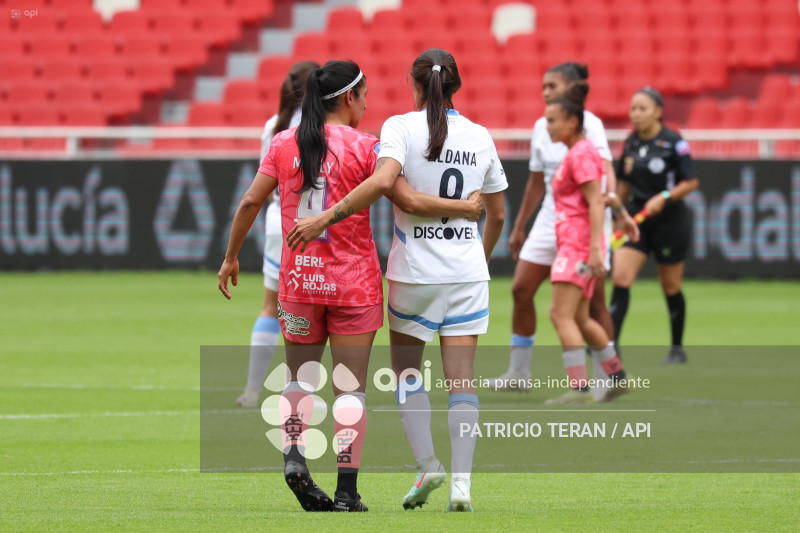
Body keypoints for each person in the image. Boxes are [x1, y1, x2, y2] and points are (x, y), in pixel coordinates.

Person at [219, 59, 483, 513]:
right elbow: (403, 196)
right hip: (354, 285)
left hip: (299, 280)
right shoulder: (368, 147)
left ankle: (295, 459)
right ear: (348, 98)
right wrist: (463, 209)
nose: (367, 104)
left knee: (299, 379)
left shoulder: (283, 143)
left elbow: (249, 201)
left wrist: (229, 257)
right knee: (350, 388)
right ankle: (346, 489)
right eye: (364, 96)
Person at [287, 48, 507, 513]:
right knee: (462, 381)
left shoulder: (399, 128)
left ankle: (428, 463)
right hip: (467, 274)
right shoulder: (482, 136)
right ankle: (462, 485)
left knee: (408, 374)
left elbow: (391, 188)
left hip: (414, 274)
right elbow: (498, 214)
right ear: (457, 86)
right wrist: (474, 257)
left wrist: (326, 216)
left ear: (413, 84)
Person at [491, 63, 618, 399]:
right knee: (521, 289)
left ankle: (602, 378)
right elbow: (536, 180)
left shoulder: (589, 129)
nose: (545, 91)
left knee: (589, 305)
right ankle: (519, 373)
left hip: (582, 224)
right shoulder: (542, 128)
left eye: (553, 86)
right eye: (543, 86)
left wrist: (613, 205)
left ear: (571, 89)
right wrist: (519, 226)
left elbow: (604, 172)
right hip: (553, 220)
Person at [544, 82, 639, 405]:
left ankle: (580, 388)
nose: (547, 126)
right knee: (581, 318)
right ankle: (616, 376)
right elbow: (602, 198)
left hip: (577, 245)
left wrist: (597, 249)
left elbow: (594, 202)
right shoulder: (580, 152)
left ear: (572, 122)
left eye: (553, 120)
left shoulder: (581, 153)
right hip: (580, 244)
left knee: (560, 315)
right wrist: (623, 215)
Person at [236, 60, 319, 408]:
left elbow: (263, 185)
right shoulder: (325, 123)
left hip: (279, 222)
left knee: (273, 306)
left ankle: (253, 389)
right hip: (318, 221)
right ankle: (304, 388)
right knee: (320, 311)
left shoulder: (274, 126)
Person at [610, 86, 699, 363]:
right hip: (636, 219)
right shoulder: (631, 143)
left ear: (658, 112)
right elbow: (623, 185)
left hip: (669, 220)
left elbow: (691, 182)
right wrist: (617, 215)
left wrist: (664, 196)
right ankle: (611, 347)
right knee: (621, 277)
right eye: (633, 109)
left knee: (670, 285)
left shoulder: (674, 142)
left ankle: (676, 348)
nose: (636, 114)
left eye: (643, 108)